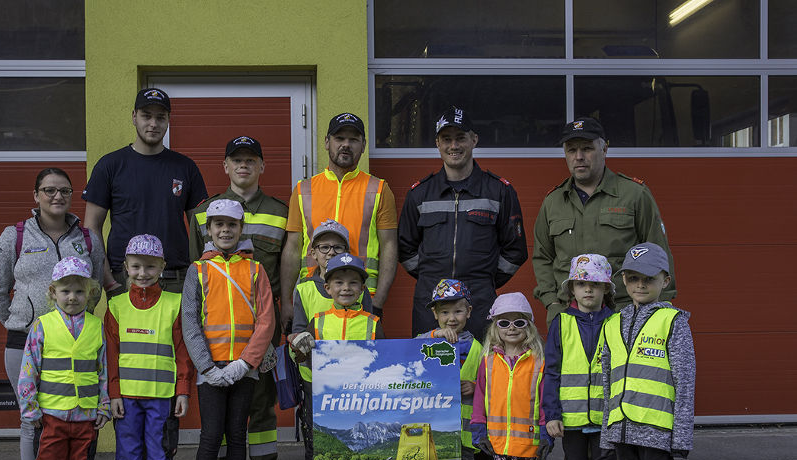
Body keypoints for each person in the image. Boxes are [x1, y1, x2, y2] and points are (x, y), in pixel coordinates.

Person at [84, 86, 208, 460]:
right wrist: (107, 279)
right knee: (127, 373)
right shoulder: (111, 166)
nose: (153, 123)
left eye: (161, 117)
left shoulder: (185, 168)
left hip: (174, 279)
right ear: (134, 117)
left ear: (168, 121)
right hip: (125, 281)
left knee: (166, 374)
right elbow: (91, 227)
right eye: (146, 115)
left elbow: (202, 230)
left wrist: (196, 278)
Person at [0, 167, 105, 460]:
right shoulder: (15, 236)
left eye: (65, 191)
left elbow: (96, 285)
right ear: (35, 195)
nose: (57, 197)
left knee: (70, 423)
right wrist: (24, 320)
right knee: (33, 421)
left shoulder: (86, 237)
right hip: (26, 340)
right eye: (49, 190)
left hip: (73, 340)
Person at [189, 135, 288, 460]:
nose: (243, 165)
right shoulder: (202, 213)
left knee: (261, 406)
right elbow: (194, 270)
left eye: (251, 159)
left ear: (262, 166)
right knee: (220, 409)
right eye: (236, 159)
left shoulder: (281, 211)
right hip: (216, 335)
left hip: (262, 327)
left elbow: (285, 266)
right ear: (225, 166)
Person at [601, 243, 695, 460]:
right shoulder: (614, 323)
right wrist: (608, 431)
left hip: (657, 431)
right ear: (624, 280)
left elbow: (685, 379)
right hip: (623, 429)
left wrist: (681, 435)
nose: (640, 284)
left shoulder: (673, 321)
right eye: (633, 277)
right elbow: (607, 380)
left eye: (649, 278)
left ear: (664, 280)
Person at [182, 199, 275, 460]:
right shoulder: (198, 270)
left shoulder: (255, 270)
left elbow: (266, 320)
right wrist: (207, 367)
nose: (224, 230)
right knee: (210, 436)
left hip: (243, 370)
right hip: (210, 371)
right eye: (217, 224)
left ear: (241, 229)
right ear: (208, 230)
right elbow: (189, 321)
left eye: (231, 225)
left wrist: (244, 363)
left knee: (237, 433)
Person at [398, 105, 528, 340]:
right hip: (431, 301)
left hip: (479, 299)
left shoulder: (499, 191)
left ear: (474, 140)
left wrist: (485, 278)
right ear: (437, 143)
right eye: (446, 139)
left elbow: (515, 250)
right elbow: (405, 248)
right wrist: (433, 276)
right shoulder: (420, 193)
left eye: (460, 138)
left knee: (479, 370)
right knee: (428, 369)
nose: (454, 146)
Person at [532, 117, 676, 325]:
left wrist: (660, 307)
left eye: (587, 149)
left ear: (605, 148)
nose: (579, 157)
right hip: (569, 315)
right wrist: (552, 303)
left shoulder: (634, 195)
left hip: (624, 312)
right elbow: (542, 257)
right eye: (571, 150)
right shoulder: (553, 202)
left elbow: (658, 253)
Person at [16, 257, 110, 460]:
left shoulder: (96, 327)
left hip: (85, 418)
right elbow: (28, 370)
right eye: (66, 291)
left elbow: (103, 370)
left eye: (79, 292)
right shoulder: (42, 326)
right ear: (52, 292)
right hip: (52, 417)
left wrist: (104, 405)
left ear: (90, 294)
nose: (73, 297)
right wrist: (30, 410)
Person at [106, 235, 194, 460]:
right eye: (136, 266)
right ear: (126, 268)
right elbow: (111, 356)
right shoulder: (115, 306)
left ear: (162, 267)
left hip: (162, 399)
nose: (143, 273)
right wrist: (113, 394)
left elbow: (183, 351)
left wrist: (183, 390)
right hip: (127, 401)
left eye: (150, 266)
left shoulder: (175, 303)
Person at [287, 222, 375, 460]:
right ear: (313, 252)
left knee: (357, 434)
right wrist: (299, 342)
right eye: (324, 247)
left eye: (337, 247)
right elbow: (297, 330)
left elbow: (375, 338)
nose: (330, 252)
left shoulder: (362, 293)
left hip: (358, 383)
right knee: (317, 435)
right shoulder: (304, 289)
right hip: (316, 378)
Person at [280, 112, 398, 324]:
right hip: (312, 296)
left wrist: (378, 300)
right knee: (308, 357)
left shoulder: (379, 189)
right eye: (339, 138)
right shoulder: (303, 190)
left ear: (363, 146)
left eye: (353, 139)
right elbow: (292, 248)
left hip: (361, 296)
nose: (346, 144)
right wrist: (288, 302)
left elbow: (389, 246)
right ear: (327, 142)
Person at [543, 254, 621, 460]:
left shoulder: (617, 322)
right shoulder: (560, 323)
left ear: (606, 289)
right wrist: (551, 414)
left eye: (595, 285)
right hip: (572, 418)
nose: (588, 290)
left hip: (606, 417)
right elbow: (551, 372)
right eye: (581, 284)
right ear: (571, 289)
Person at [469, 292, 552, 460]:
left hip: (527, 438)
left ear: (529, 325)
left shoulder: (539, 360)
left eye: (519, 322)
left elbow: (544, 399)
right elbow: (481, 395)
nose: (512, 328)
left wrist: (546, 433)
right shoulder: (489, 360)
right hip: (497, 437)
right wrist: (478, 426)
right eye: (504, 323)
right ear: (495, 327)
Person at [416, 279, 483, 460]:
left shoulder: (479, 348)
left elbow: (493, 384)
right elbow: (408, 350)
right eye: (444, 312)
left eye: (457, 311)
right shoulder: (427, 340)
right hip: (435, 426)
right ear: (435, 314)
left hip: (464, 429)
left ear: (468, 312)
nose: (451, 318)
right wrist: (435, 335)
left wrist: (477, 387)